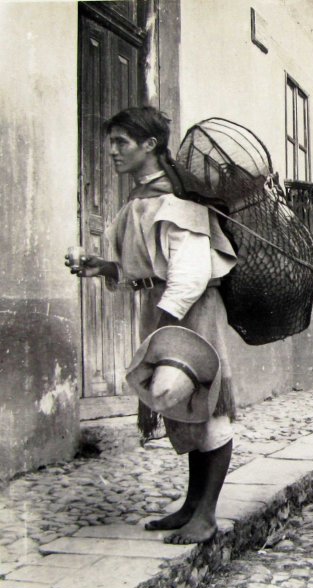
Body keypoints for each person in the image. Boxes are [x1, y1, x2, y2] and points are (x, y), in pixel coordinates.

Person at [66, 107, 237, 544]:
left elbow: (191, 274)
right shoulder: (141, 203)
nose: (112, 150)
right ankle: (191, 505)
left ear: (151, 145)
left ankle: (208, 515)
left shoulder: (179, 203)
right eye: (111, 142)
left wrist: (162, 337)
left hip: (191, 315)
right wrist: (102, 266)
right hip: (165, 313)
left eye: (122, 142)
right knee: (184, 409)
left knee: (209, 410)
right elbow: (143, 270)